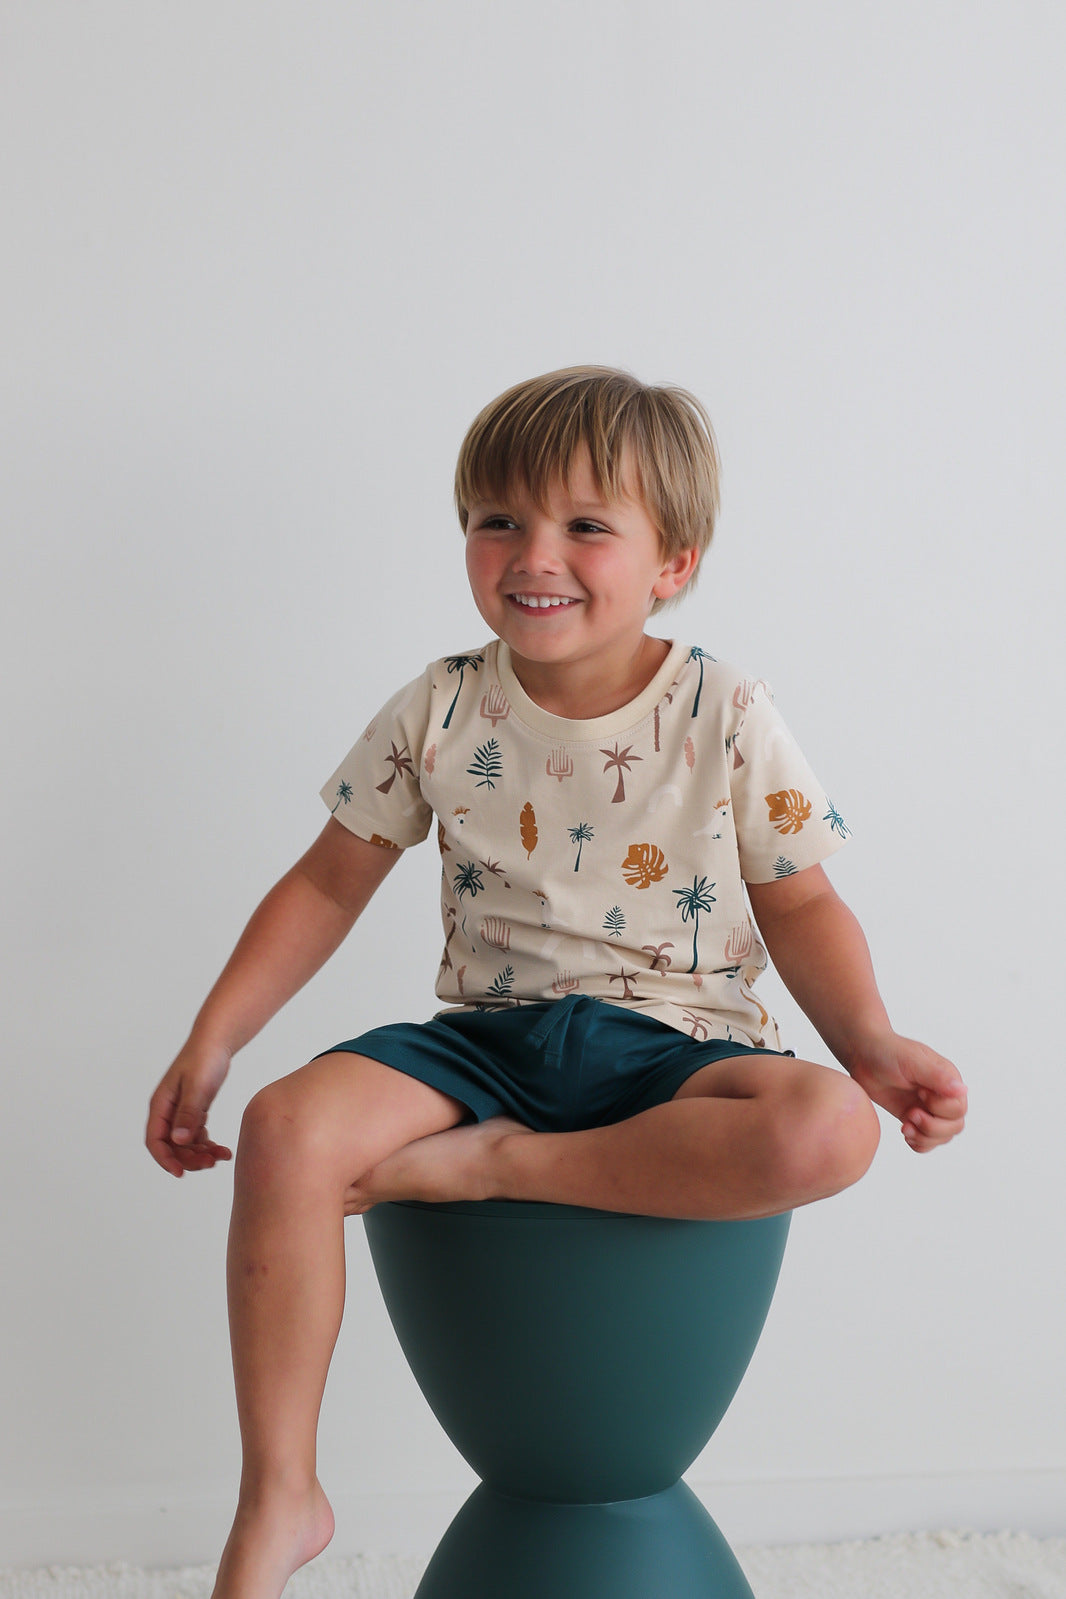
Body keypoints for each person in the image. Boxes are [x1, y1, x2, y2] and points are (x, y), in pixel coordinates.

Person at [146, 366, 967, 1599]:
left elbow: (799, 901)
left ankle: (496, 1165)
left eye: (587, 525)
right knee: (285, 1128)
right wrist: (210, 1044)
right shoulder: (442, 706)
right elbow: (326, 883)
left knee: (826, 1133)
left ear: (671, 563)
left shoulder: (727, 710)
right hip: (489, 1039)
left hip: (673, 1045)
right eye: (499, 520)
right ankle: (279, 1497)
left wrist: (871, 1044)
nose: (536, 554)